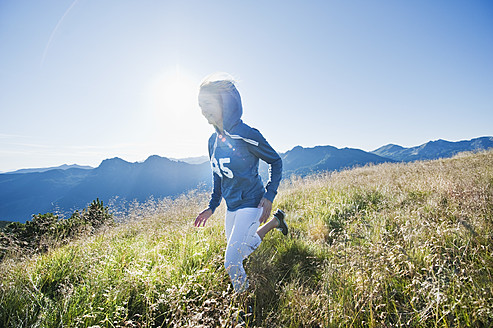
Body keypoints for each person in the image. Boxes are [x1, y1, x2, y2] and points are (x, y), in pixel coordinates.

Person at [194, 73, 288, 294]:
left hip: (252, 201)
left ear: (224, 102)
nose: (203, 110)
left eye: (207, 103)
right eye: (200, 105)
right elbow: (218, 176)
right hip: (232, 205)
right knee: (242, 249)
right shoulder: (212, 141)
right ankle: (275, 222)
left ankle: (244, 304)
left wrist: (269, 195)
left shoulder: (246, 134)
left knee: (231, 261)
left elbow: (276, 160)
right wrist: (212, 206)